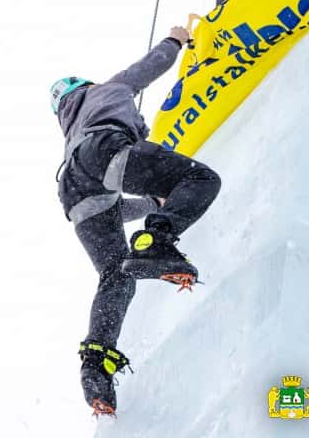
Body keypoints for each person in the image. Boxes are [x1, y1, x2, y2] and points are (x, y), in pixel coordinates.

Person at [51, 27, 222, 417]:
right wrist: (176, 41)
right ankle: (158, 242)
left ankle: (96, 365)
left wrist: (149, 203)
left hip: (72, 189)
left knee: (117, 274)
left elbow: (110, 207)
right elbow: (148, 67)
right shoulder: (104, 91)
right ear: (83, 87)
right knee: (201, 179)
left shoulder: (71, 132)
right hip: (105, 149)